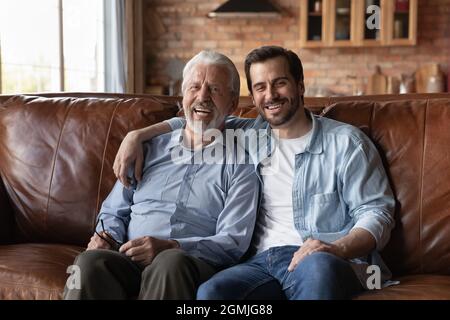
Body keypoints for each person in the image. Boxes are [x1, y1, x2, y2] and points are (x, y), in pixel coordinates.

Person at [112, 46, 395, 300]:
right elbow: (196, 116)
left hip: (327, 260)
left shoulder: (346, 143)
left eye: (279, 83)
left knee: (319, 269)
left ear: (299, 86)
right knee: (212, 292)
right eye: (260, 87)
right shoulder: (250, 133)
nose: (270, 95)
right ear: (252, 96)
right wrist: (137, 135)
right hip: (260, 263)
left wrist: (337, 249)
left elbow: (376, 213)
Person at [63, 50, 259, 300]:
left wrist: (172, 246)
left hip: (188, 262)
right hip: (129, 256)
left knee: (170, 262)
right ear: (183, 96)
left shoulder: (241, 164)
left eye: (214, 89)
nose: (202, 97)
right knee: (89, 263)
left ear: (232, 103)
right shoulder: (147, 149)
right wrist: (107, 237)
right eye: (194, 87)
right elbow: (114, 211)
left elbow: (233, 241)